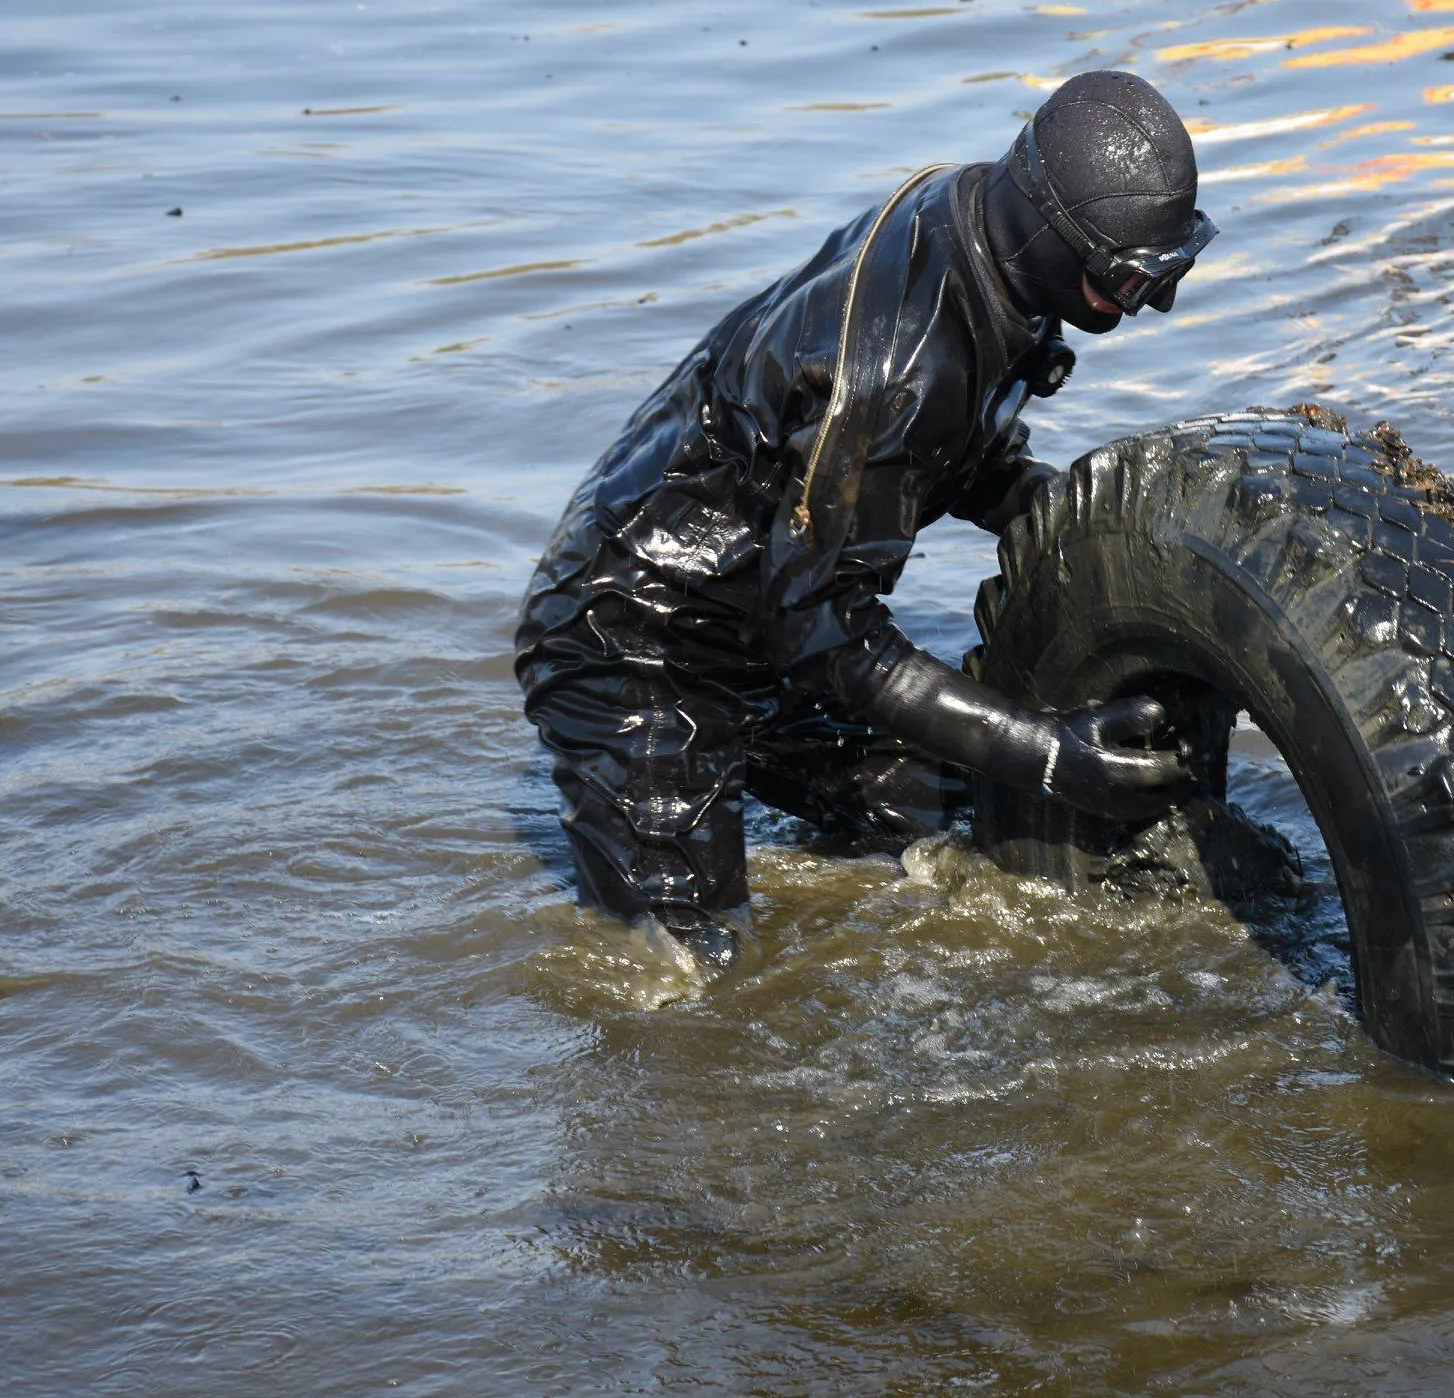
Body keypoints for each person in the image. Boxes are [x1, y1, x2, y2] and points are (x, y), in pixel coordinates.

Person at [516, 69, 1218, 967]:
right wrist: (1044, 749)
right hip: (636, 640)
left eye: (1168, 273)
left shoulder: (982, 227)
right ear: (1047, 228)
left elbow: (955, 460)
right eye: (1125, 279)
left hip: (770, 605)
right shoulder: (898, 369)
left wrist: (1101, 533)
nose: (1145, 305)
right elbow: (830, 637)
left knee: (952, 826)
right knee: (692, 971)